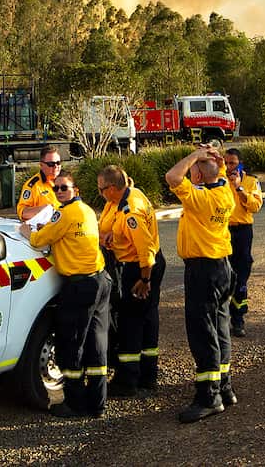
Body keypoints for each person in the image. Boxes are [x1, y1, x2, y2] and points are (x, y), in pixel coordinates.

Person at [19, 171, 110, 419]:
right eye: (57, 188)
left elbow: (39, 239)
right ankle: (98, 403)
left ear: (75, 190)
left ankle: (74, 403)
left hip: (79, 286)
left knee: (71, 343)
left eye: (64, 188)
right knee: (96, 343)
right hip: (99, 281)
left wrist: (28, 232)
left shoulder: (64, 213)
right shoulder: (87, 211)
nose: (59, 192)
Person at [164, 145, 235, 423]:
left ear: (199, 174)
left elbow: (172, 177)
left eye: (193, 169)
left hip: (203, 270)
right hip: (221, 267)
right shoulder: (225, 191)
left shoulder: (201, 198)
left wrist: (195, 156)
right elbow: (221, 174)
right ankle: (225, 387)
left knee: (203, 332)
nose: (190, 171)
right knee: (220, 328)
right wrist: (213, 161)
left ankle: (209, 396)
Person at [97, 164, 165, 397]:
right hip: (140, 264)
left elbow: (146, 253)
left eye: (102, 189)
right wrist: (111, 238)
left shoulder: (130, 211)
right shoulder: (127, 195)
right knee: (147, 318)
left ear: (114, 188)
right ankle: (148, 375)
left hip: (141, 268)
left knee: (131, 322)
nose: (100, 194)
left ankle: (127, 380)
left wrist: (144, 280)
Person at [223, 148, 264, 338]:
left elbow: (255, 206)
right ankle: (222, 319)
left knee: (241, 275)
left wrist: (239, 188)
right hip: (223, 231)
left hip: (242, 232)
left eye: (232, 163)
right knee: (224, 275)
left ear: (240, 164)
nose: (228, 167)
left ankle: (238, 320)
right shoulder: (220, 181)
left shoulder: (251, 181)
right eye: (226, 162)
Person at [17, 146, 63, 221]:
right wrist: (45, 210)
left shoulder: (66, 180)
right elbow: (23, 212)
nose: (55, 166)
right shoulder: (33, 186)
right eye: (51, 164)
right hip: (45, 228)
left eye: (58, 163)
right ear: (41, 165)